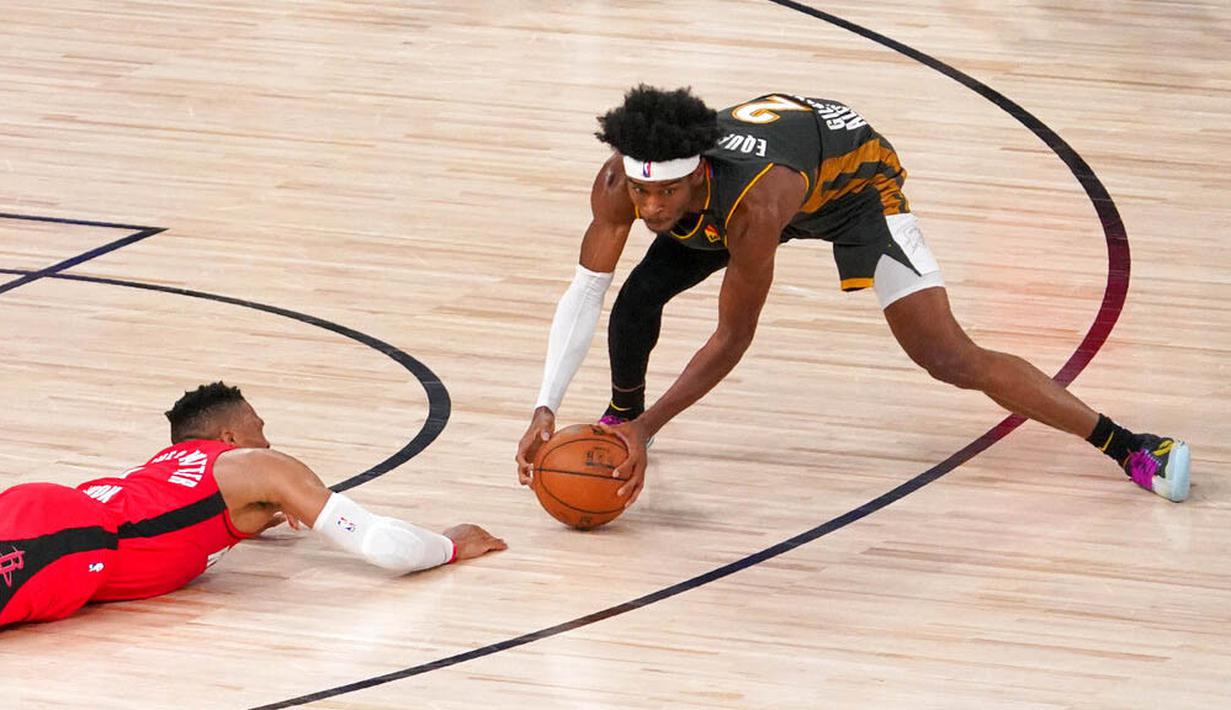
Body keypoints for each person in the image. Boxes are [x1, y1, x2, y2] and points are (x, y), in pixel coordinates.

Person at [515, 85, 1190, 507]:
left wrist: (652, 426)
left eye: (668, 192)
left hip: (855, 188)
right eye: (643, 192)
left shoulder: (753, 205)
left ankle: (1130, 447)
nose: (653, 206)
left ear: (697, 177)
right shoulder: (624, 181)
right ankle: (617, 418)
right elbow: (586, 291)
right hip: (772, 173)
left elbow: (732, 338)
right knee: (636, 300)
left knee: (949, 358)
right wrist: (545, 404)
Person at [0, 382, 505, 627]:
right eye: (260, 429)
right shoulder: (254, 466)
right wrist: (448, 546)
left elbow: (181, 522)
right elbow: (383, 546)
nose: (268, 441)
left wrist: (254, 517)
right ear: (230, 436)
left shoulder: (162, 469)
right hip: (69, 542)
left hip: (54, 522)